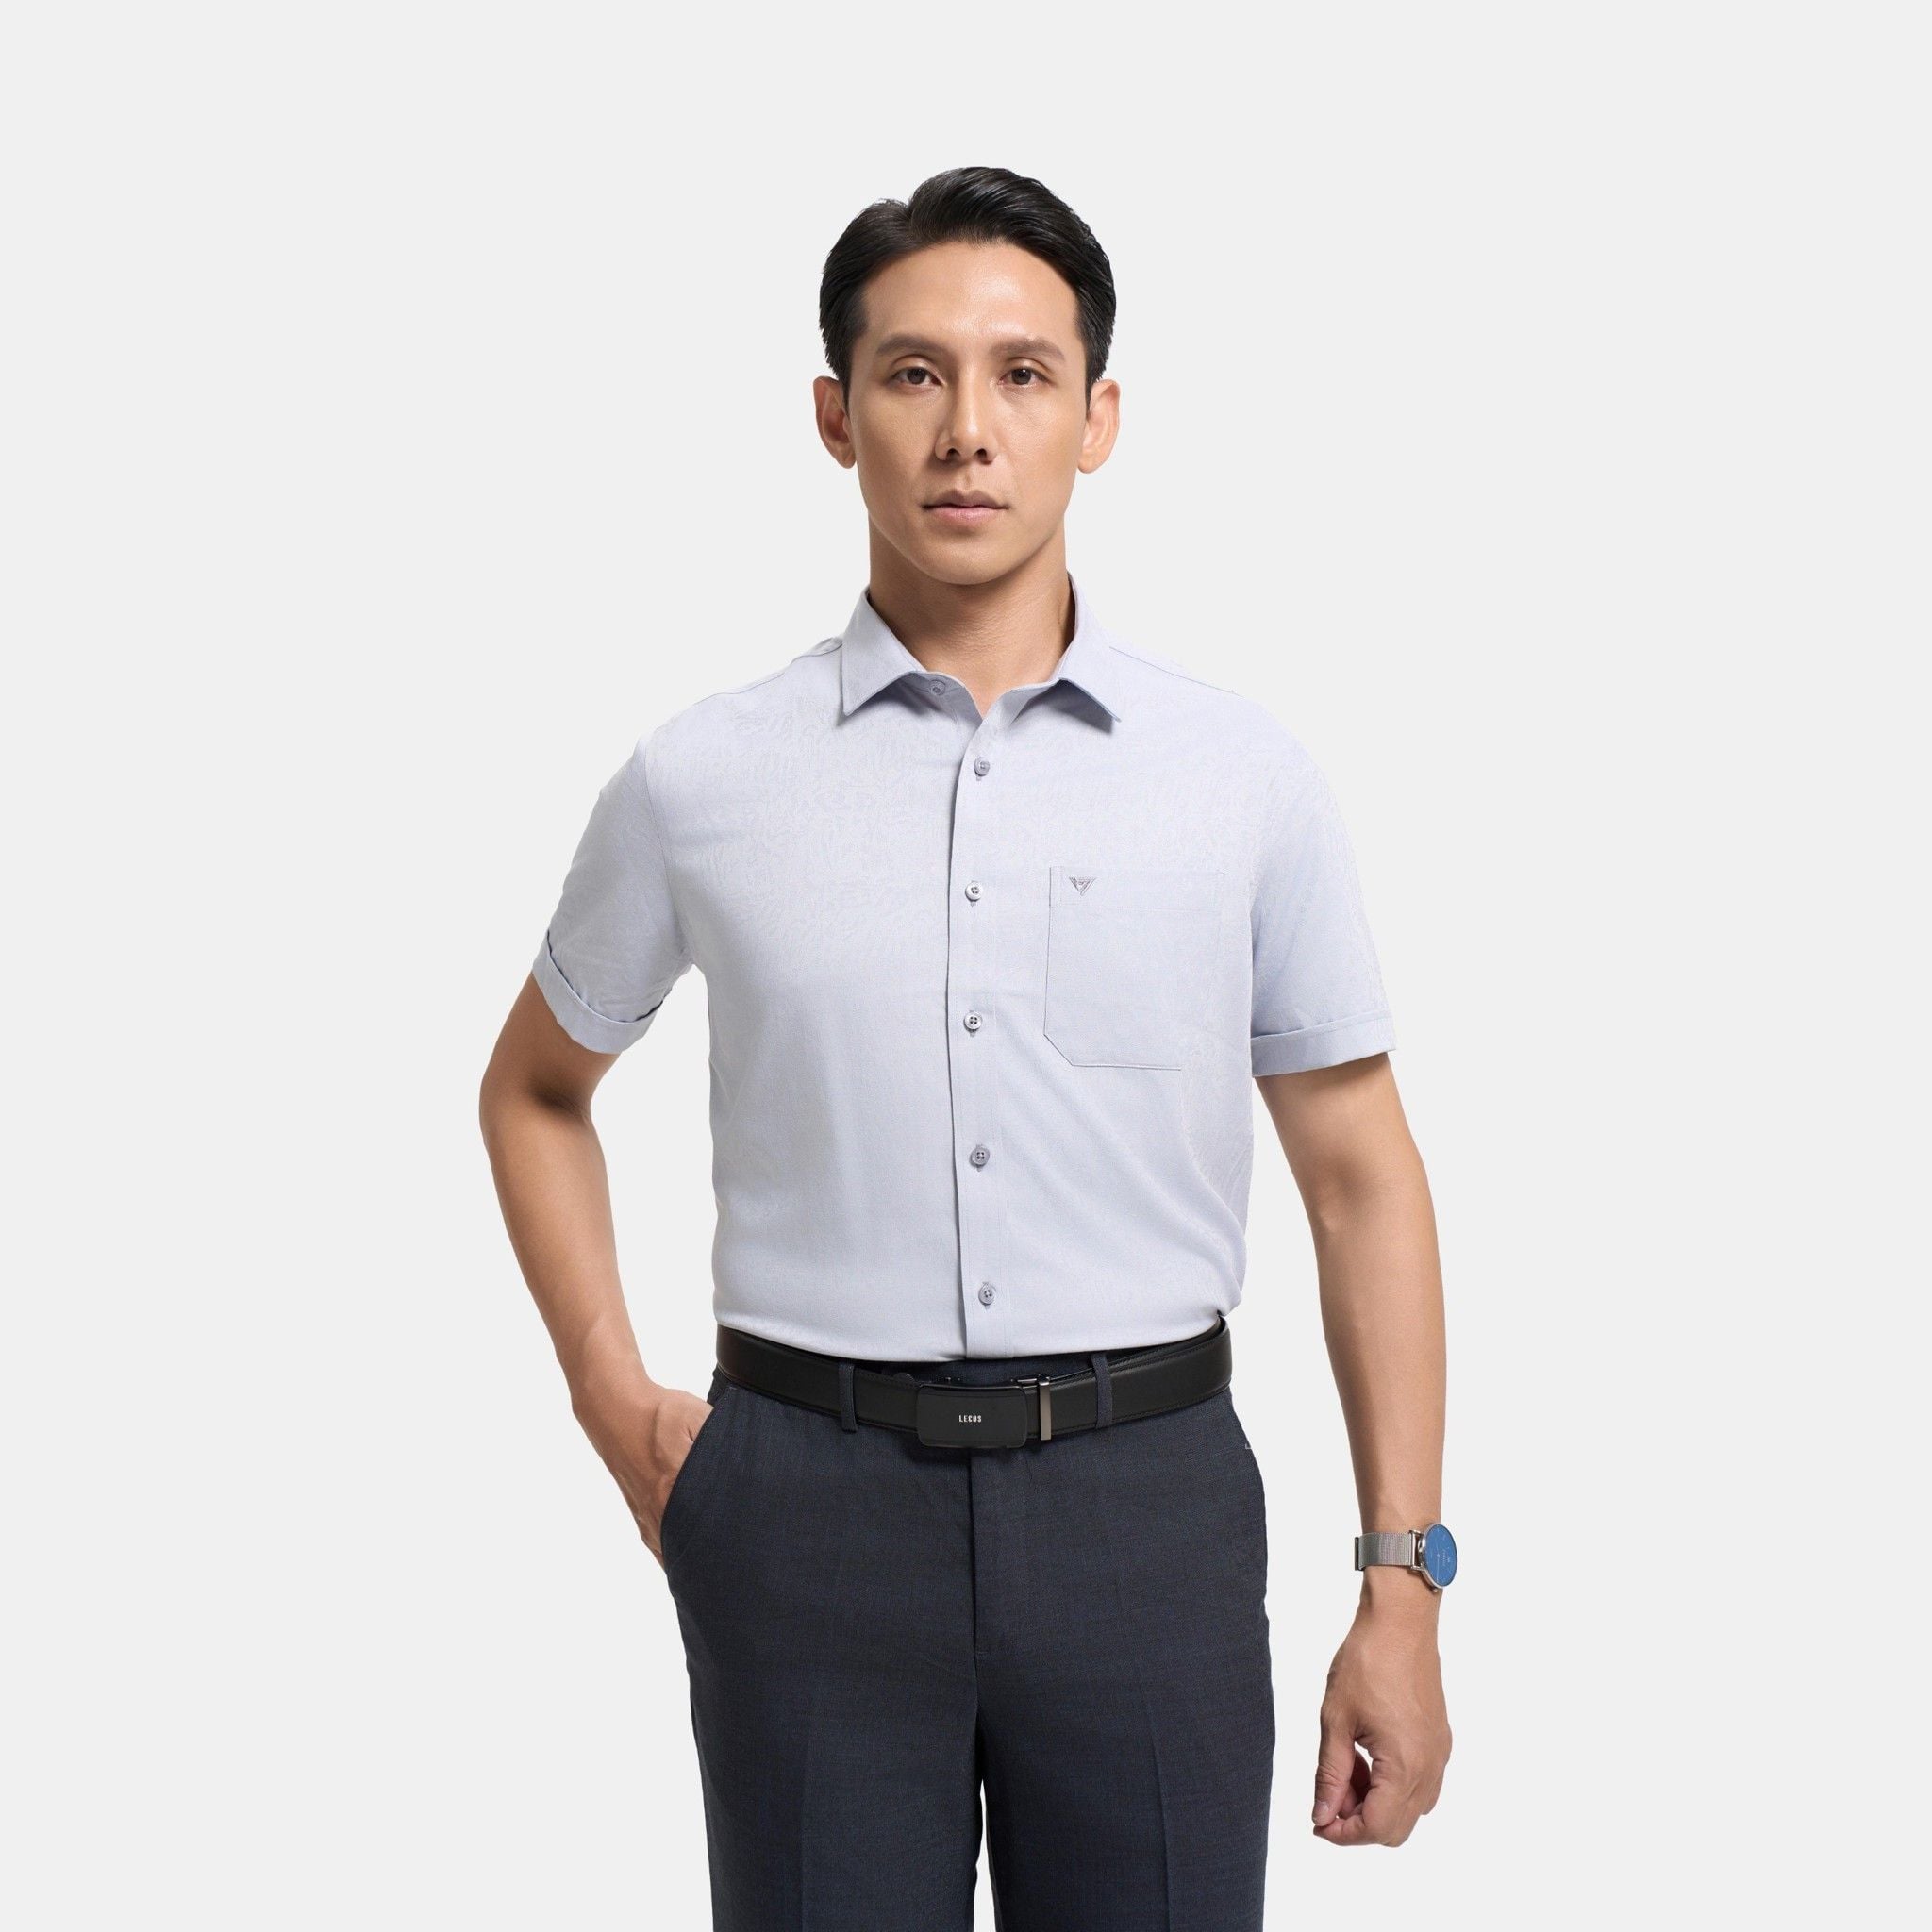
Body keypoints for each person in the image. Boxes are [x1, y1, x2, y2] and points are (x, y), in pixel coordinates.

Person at [479, 163, 1453, 1930]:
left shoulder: (1242, 778)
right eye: (914, 374)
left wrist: (1403, 1579)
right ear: (835, 417)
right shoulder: (704, 778)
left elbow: (1361, 1178)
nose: (967, 432)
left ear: (1098, 419)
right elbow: (537, 1091)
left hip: (1148, 1506)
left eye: (1023, 374)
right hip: (804, 1512)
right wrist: (616, 1405)